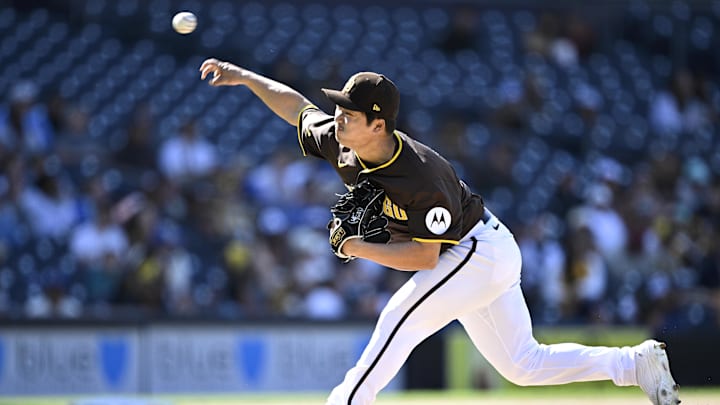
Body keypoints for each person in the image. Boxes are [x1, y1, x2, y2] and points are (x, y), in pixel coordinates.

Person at [199, 59, 680, 405]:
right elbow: (297, 107)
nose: (338, 116)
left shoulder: (422, 174)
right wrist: (242, 77)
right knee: (522, 365)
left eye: (349, 111)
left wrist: (356, 246)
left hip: (476, 251)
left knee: (397, 318)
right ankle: (633, 365)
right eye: (340, 108)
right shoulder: (344, 142)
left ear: (379, 123)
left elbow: (426, 259)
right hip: (480, 250)